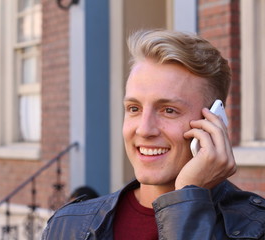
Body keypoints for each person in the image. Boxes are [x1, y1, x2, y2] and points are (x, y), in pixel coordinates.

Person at [41, 29, 265, 239]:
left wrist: (189, 197)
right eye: (134, 109)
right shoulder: (67, 225)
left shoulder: (256, 228)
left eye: (169, 110)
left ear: (214, 123)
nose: (144, 129)